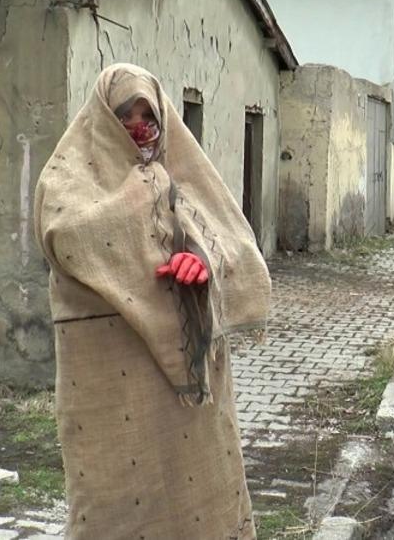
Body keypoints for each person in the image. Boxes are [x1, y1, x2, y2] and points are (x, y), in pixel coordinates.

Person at [34, 63, 272, 539]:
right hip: (110, 384)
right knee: (114, 504)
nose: (140, 127)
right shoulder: (65, 182)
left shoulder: (182, 174)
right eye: (125, 115)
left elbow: (233, 246)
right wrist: (141, 202)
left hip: (189, 395)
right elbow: (67, 236)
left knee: (200, 499)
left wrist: (201, 267)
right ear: (102, 120)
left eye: (149, 115)